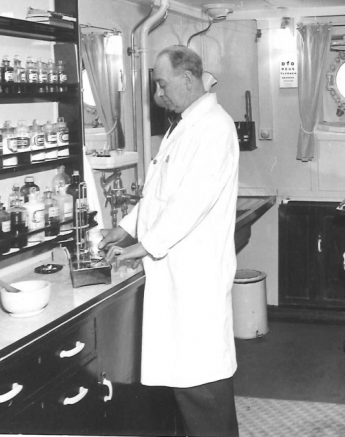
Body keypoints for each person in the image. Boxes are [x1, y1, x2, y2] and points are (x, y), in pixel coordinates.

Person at [100, 45, 240, 437]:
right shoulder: (185, 125)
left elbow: (191, 200)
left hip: (195, 278)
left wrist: (144, 245)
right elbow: (161, 194)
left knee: (202, 389)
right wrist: (127, 227)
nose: (159, 94)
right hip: (176, 273)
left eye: (163, 84)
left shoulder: (214, 127)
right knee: (186, 389)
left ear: (188, 78)